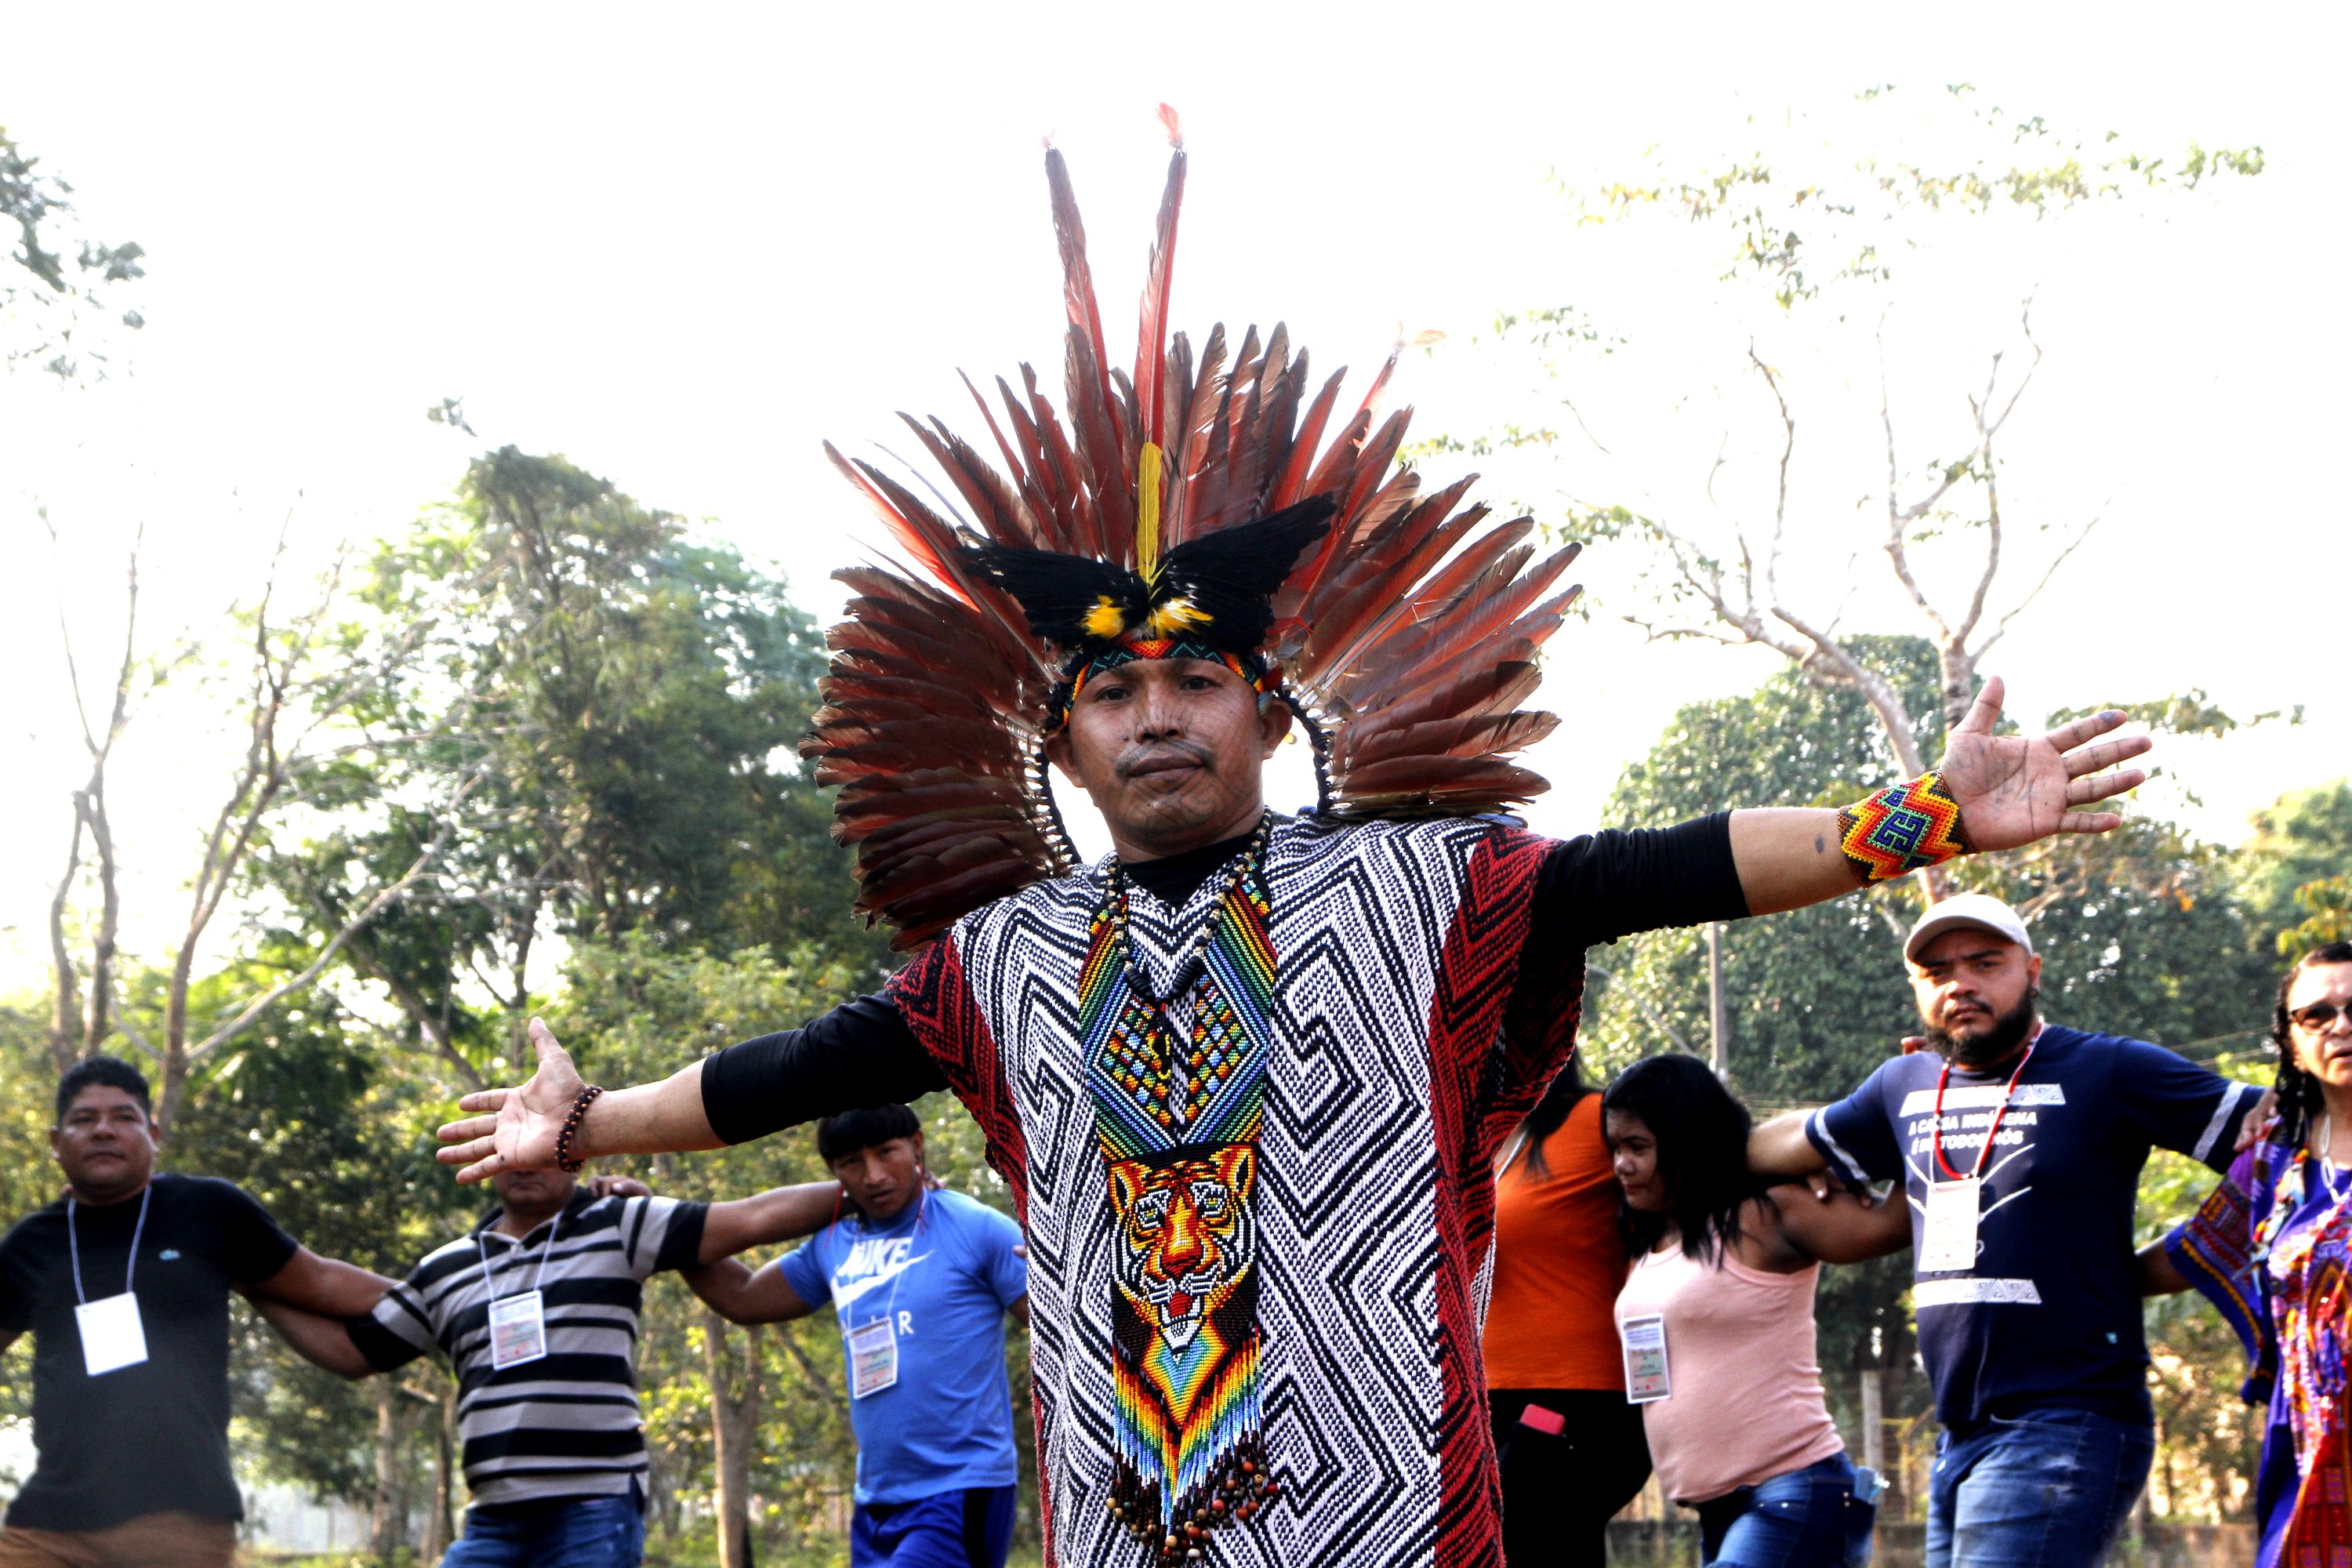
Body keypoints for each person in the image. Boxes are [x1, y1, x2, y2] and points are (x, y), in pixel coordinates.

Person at [432, 125, 2151, 1568]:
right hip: (1119, 1515)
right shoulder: (1000, 960)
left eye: (1200, 677)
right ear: (1067, 742)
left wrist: (1920, 822)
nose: (1160, 711)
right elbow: (772, 1080)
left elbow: (1669, 865)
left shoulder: (1432, 885)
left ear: (1271, 714)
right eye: (1114, 688)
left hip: (1392, 1516)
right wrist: (579, 1124)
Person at [1748, 892, 2267, 1567]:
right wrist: (1687, 1147)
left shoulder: (2107, 1070)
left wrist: (2175, 1260)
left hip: (2068, 1419)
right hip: (1957, 1433)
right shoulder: (1903, 1085)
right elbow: (1782, 1143)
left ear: (2032, 970)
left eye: (1985, 963)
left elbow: (2279, 1140)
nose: (1961, 983)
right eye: (1937, 971)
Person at [251, 1160, 841, 1567]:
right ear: (487, 1161)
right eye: (512, 1148)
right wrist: (250, 1281)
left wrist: (860, 1189)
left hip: (592, 1506)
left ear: (576, 1157)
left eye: (543, 1147)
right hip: (492, 1518)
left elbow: (753, 1217)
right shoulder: (445, 1269)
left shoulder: (619, 1225)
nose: (526, 1163)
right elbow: (355, 1352)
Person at [0, 1057, 394, 1568]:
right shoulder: (31, 1244)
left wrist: (453, 1291)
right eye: (83, 1120)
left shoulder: (210, 1212)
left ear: (154, 1134)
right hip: (49, 1527)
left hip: (180, 1518)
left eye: (123, 1117)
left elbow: (320, 1282)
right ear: (56, 1143)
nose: (103, 1130)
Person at [683, 1105, 1029, 1568]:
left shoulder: (975, 1228)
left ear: (917, 1146)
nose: (874, 1175)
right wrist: (668, 1235)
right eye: (852, 1163)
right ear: (833, 1172)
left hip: (961, 1487)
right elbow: (743, 1298)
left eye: (887, 1152)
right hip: (876, 1497)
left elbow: (1057, 1324)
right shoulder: (834, 1242)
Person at [1606, 1054, 1905, 1566]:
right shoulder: (1648, 1244)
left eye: (1638, 1147)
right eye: (1614, 1148)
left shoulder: (1763, 1215)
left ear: (1686, 1142)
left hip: (1794, 1491)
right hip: (1720, 1512)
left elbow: (1895, 1225)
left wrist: (1907, 1115)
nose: (1621, 1164)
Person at [2149, 940, 2352, 1567]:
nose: (2341, 1025)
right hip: (2312, 1447)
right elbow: (2193, 1250)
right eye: (2316, 1015)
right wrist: (2063, 1266)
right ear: (2293, 1044)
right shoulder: (2274, 1160)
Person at [1483, 1057, 1651, 1567]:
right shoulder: (1480, 1143)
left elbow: (1704, 1154)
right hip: (1488, 1401)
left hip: (1582, 1400)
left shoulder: (1596, 1118)